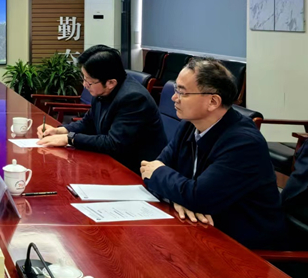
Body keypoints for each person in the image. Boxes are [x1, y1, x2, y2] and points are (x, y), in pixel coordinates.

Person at [141, 58, 286, 249]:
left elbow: (197, 196)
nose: (174, 98)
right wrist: (180, 197)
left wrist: (185, 196)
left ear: (213, 101)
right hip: (201, 230)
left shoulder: (243, 143)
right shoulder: (188, 126)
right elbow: (151, 170)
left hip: (243, 248)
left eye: (182, 92)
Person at [37, 45, 167, 172]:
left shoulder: (133, 98)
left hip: (135, 171)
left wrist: (70, 138)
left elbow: (114, 144)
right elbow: (89, 122)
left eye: (89, 82)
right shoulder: (102, 91)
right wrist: (59, 131)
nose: (84, 85)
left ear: (111, 83)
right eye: (84, 79)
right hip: (110, 163)